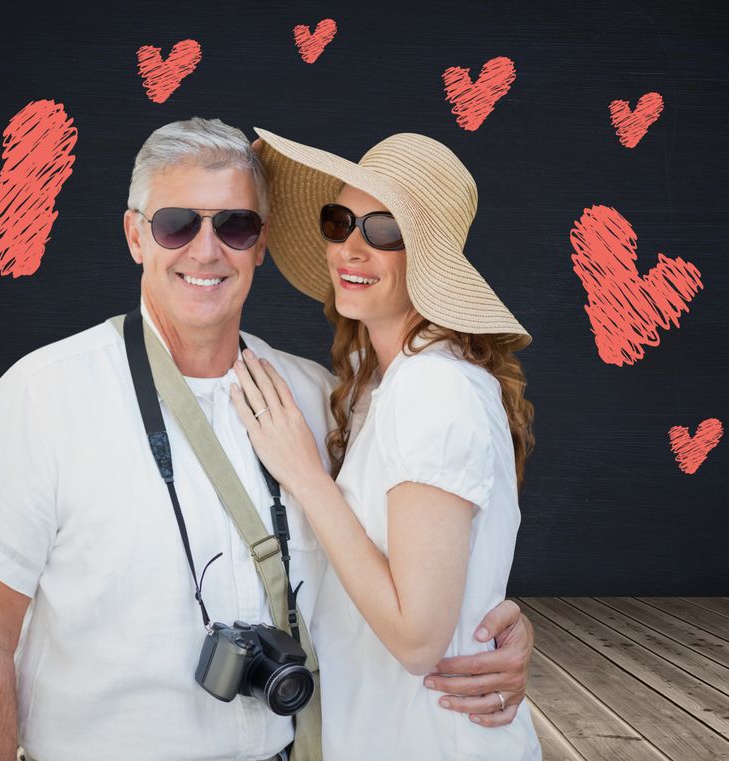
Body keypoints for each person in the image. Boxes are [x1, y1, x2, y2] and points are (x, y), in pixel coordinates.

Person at [0, 117, 534, 761]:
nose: (205, 250)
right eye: (176, 224)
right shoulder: (42, 396)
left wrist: (491, 629)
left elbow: (419, 559)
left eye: (234, 225)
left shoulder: (319, 399)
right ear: (136, 235)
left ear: (260, 243)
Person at [227, 128, 542, 760]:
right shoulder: (385, 384)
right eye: (340, 221)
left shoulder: (434, 387)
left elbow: (418, 639)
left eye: (385, 230)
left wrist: (306, 476)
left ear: (429, 257)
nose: (352, 247)